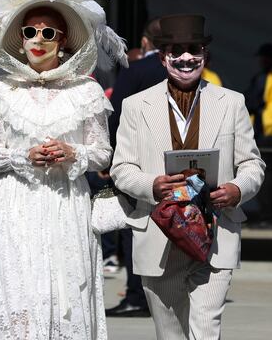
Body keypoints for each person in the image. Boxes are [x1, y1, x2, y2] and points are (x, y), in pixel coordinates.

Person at [0, 0, 127, 339]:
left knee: (68, 288)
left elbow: (103, 153)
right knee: (19, 290)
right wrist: (22, 157)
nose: (37, 40)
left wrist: (73, 152)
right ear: (20, 40)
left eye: (47, 33)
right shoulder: (1, 91)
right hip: (17, 203)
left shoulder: (86, 93)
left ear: (63, 41)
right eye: (29, 32)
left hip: (66, 203)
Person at [110, 14, 265, 339]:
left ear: (205, 56)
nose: (185, 57)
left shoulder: (232, 102)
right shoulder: (136, 105)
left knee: (205, 329)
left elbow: (252, 164)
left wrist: (237, 190)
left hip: (216, 231)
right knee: (171, 333)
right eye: (176, 50)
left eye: (193, 49)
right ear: (163, 56)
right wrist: (151, 185)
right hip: (159, 232)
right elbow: (121, 169)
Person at [106, 17, 167, 317]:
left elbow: (115, 113)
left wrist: (110, 157)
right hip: (174, 161)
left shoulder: (137, 69)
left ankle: (137, 295)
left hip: (137, 160)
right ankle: (164, 292)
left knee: (134, 228)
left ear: (145, 42)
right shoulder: (182, 69)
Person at [244, 43, 272, 227]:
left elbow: (252, 101)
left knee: (266, 176)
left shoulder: (268, 77)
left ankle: (268, 217)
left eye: (262, 57)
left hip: (268, 132)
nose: (260, 61)